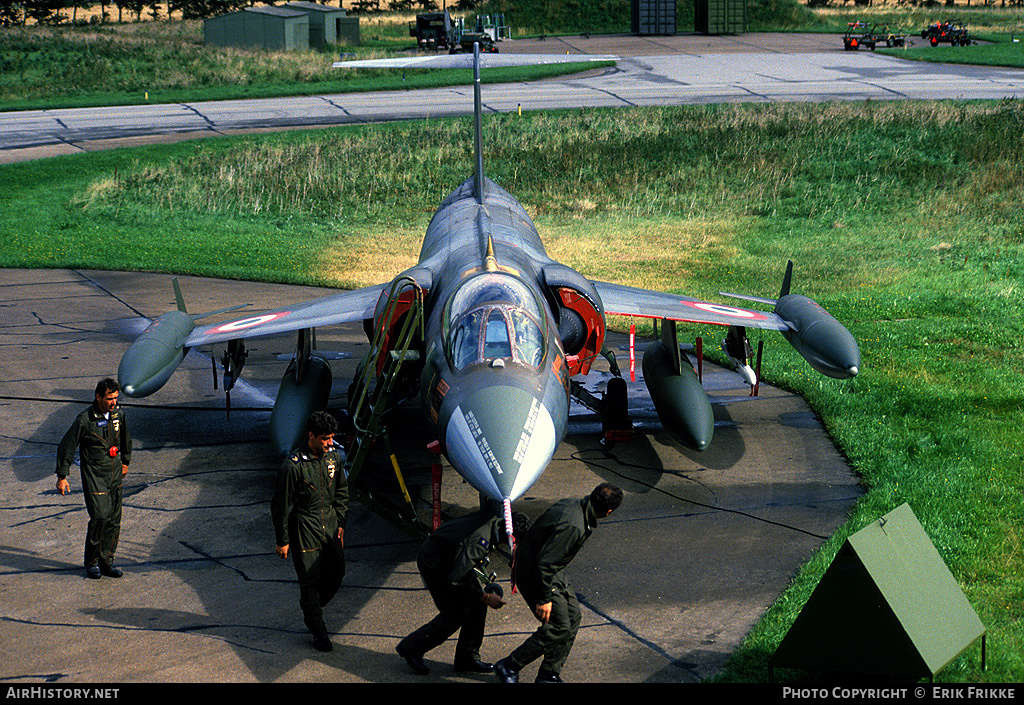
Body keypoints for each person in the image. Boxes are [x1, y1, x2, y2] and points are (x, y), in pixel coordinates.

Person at [494, 482, 623, 683]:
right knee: (558, 626)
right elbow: (545, 564)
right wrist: (544, 599)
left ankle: (549, 674)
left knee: (573, 617)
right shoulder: (574, 526)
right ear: (608, 512)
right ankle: (510, 665)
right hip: (535, 572)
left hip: (549, 568)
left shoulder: (573, 505)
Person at [396, 509, 529, 676]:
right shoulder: (479, 543)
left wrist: (480, 597)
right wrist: (486, 596)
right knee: (455, 613)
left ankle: (467, 658)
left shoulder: (493, 521)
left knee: (477, 606)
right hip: (436, 563)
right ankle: (412, 647)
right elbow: (456, 580)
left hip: (452, 559)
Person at [270, 410, 348, 652]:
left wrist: (341, 523)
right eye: (325, 438)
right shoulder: (293, 466)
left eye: (332, 437)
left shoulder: (334, 459)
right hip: (305, 528)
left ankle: (311, 605)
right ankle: (318, 630)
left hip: (331, 526)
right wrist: (282, 540)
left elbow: (342, 492)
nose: (330, 443)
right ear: (311, 436)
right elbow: (280, 505)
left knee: (337, 572)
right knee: (310, 580)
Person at [56, 378, 133, 580]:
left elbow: (125, 438)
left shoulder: (118, 415)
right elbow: (67, 446)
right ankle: (91, 562)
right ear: (98, 397)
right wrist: (62, 476)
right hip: (95, 476)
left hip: (114, 473)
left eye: (115, 398)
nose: (113, 402)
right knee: (100, 517)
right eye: (109, 398)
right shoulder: (85, 420)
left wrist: (126, 461)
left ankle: (107, 562)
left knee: (114, 520)